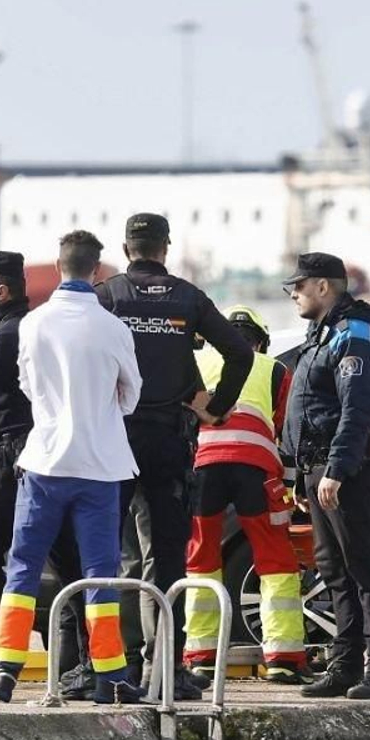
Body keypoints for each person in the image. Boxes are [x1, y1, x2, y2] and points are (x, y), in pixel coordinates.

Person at [0, 230, 146, 704]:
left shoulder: (34, 324)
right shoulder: (114, 328)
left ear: (58, 267)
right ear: (97, 271)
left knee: (23, 568)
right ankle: (110, 676)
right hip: (100, 466)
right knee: (100, 573)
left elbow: (28, 386)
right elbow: (130, 396)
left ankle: (4, 672)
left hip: (45, 462)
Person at [97, 212, 254, 702]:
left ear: (127, 250)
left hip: (116, 440)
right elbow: (240, 353)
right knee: (166, 558)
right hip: (169, 440)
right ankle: (164, 668)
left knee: (117, 556)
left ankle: (112, 668)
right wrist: (218, 407)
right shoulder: (188, 297)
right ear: (165, 248)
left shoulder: (109, 296)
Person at [0, 249, 90, 692]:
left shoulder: (4, 335)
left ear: (2, 290)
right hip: (40, 455)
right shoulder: (23, 327)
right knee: (65, 559)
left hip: (8, 458)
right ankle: (80, 658)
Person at [281, 252, 370, 699]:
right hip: (318, 470)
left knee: (364, 567)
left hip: (345, 470)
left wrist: (336, 469)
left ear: (324, 286)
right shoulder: (320, 334)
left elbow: (357, 409)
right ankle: (345, 663)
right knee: (334, 570)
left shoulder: (353, 333)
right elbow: (308, 411)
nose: (293, 292)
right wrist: (301, 476)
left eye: (300, 285)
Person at [181, 305, 311, 685]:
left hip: (203, 468)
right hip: (255, 469)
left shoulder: (198, 364)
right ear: (261, 340)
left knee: (202, 558)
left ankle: (201, 657)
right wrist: (288, 490)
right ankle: (284, 658)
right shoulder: (274, 369)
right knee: (275, 560)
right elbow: (288, 433)